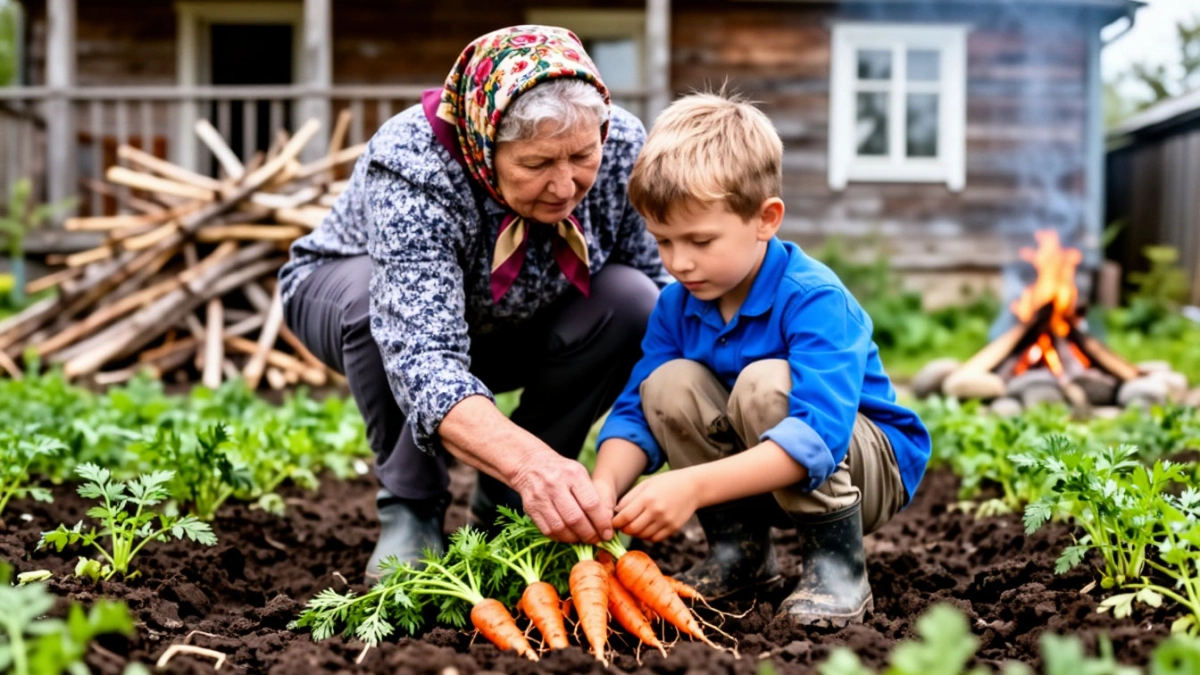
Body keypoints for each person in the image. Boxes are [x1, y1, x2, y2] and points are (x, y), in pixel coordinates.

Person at [279, 25, 669, 580]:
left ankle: (508, 508)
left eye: (581, 156)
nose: (565, 185)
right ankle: (411, 506)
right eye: (537, 165)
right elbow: (422, 355)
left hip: (518, 318)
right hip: (367, 310)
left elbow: (664, 297)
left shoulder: (623, 145)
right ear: (487, 144)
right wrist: (530, 464)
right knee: (376, 304)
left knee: (634, 300)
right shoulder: (416, 160)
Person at [589, 92, 931, 626]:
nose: (679, 262)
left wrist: (691, 485)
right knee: (666, 383)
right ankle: (741, 556)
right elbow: (636, 409)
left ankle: (836, 566)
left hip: (863, 472)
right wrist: (603, 489)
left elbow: (817, 436)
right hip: (758, 475)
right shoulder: (677, 306)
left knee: (765, 384)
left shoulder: (814, 298)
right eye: (663, 242)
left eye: (700, 240)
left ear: (765, 219)